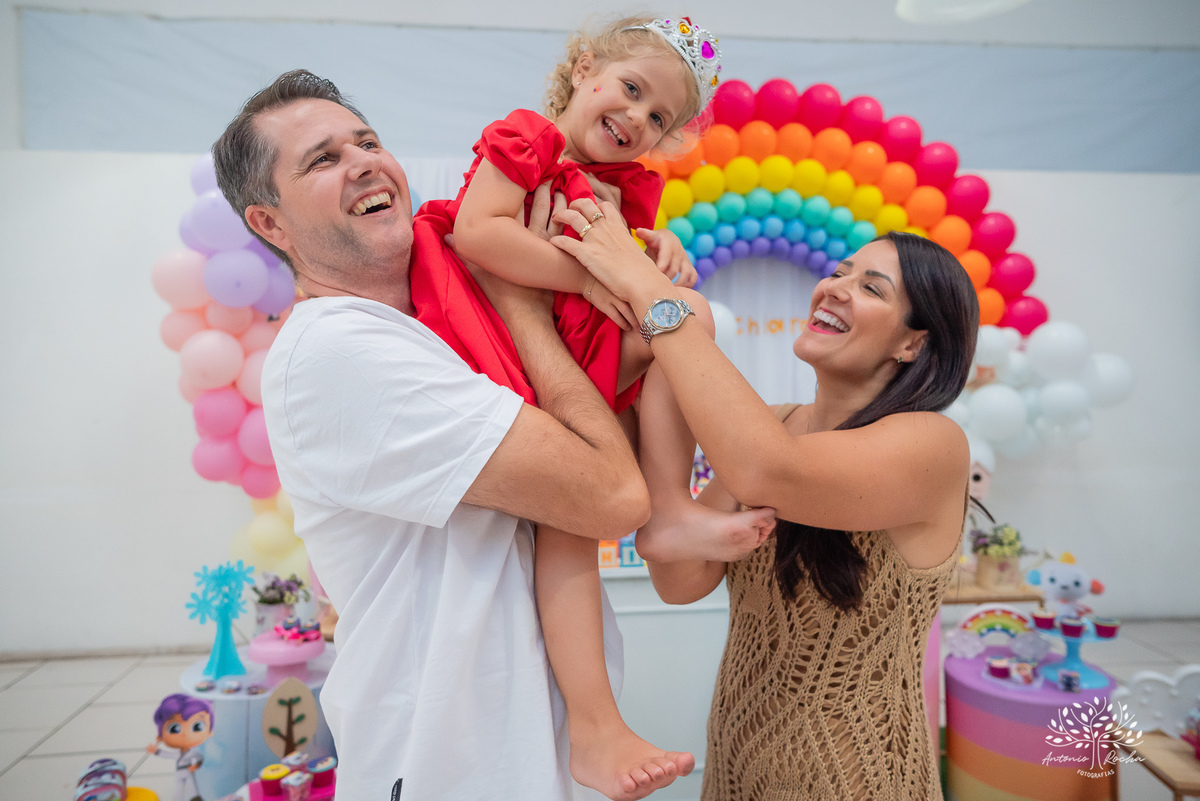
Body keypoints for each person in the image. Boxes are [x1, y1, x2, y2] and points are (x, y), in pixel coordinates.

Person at [212, 70, 680, 800]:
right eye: (323, 159)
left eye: (366, 140)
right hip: (452, 763)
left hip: (526, 749)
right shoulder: (340, 349)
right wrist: (523, 305)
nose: (364, 160)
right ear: (269, 224)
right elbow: (611, 495)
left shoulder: (436, 317)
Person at [510, 195, 977, 800]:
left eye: (871, 288)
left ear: (912, 345)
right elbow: (680, 582)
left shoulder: (933, 445)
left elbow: (767, 472)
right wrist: (671, 503)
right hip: (738, 765)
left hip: (858, 780)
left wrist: (645, 283)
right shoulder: (775, 425)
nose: (834, 288)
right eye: (839, 273)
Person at [408, 16, 769, 799]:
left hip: (576, 350)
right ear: (584, 68)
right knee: (572, 514)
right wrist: (595, 275)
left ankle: (665, 516)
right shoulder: (528, 139)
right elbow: (478, 234)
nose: (638, 120)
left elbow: (625, 258)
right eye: (632, 90)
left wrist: (655, 253)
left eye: (658, 119)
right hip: (505, 334)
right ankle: (600, 715)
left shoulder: (629, 187)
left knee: (687, 326)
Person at [146, 694, 214, 801]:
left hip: (188, 771)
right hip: (180, 773)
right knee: (179, 791)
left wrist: (196, 765)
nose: (185, 734)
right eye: (174, 729)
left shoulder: (194, 753)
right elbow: (168, 755)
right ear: (161, 736)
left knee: (193, 791)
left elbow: (198, 757)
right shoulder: (178, 754)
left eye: (197, 727)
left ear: (210, 731)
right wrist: (156, 751)